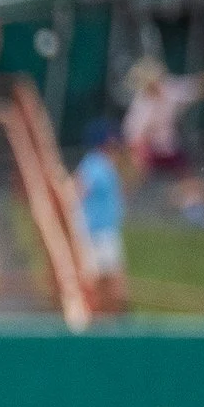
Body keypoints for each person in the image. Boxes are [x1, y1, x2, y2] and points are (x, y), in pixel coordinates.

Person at [75, 117, 128, 313]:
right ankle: (105, 316)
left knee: (109, 278)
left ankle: (111, 315)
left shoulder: (103, 165)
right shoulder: (96, 164)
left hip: (104, 230)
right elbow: (78, 190)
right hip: (96, 233)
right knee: (102, 280)